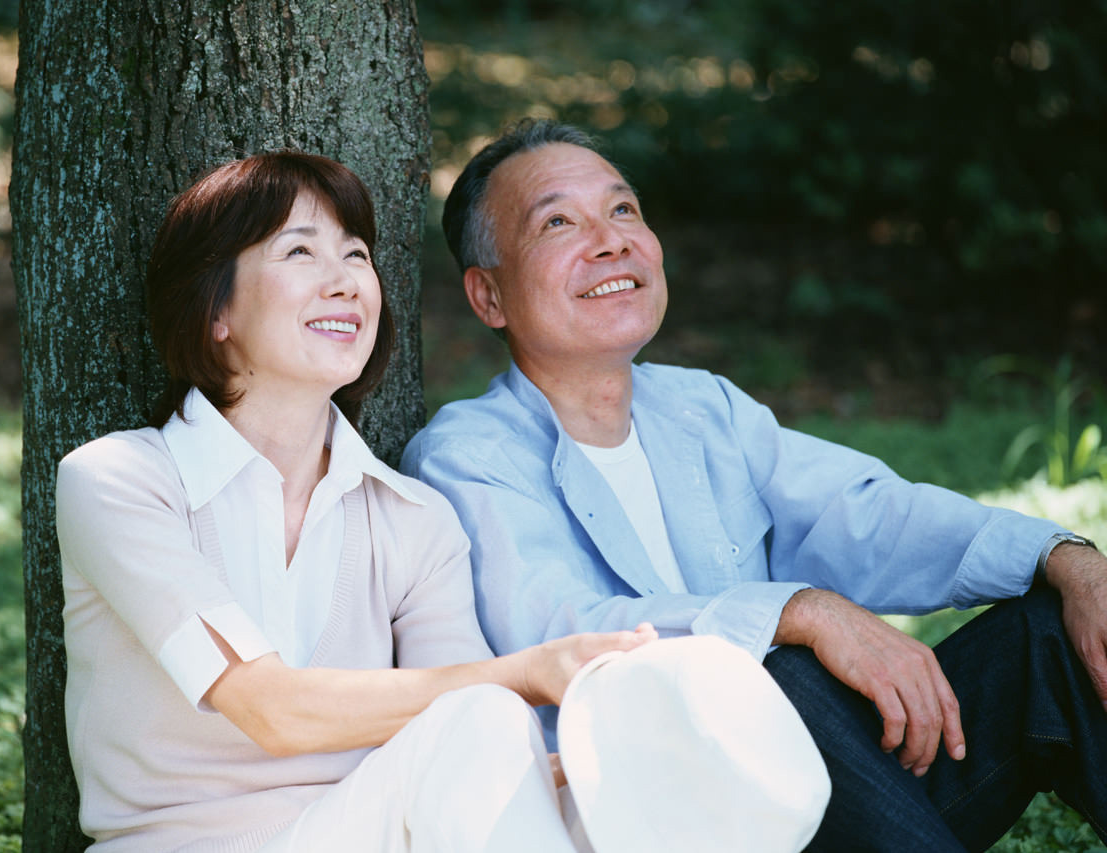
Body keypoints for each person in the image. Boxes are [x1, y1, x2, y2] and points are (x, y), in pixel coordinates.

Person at [55, 151, 829, 852]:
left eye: (357, 255)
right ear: (215, 311)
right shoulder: (122, 481)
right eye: (300, 251)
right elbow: (272, 709)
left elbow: (479, 753)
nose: (345, 278)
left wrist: (641, 760)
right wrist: (530, 672)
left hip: (382, 831)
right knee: (486, 714)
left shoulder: (412, 519)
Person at [401, 118, 1107, 852]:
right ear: (489, 297)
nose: (610, 240)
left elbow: (867, 512)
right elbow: (559, 629)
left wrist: (1067, 556)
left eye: (623, 210)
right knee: (774, 671)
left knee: (1049, 633)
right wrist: (797, 613)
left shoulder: (703, 407)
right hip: (657, 819)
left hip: (824, 795)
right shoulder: (466, 455)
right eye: (557, 222)